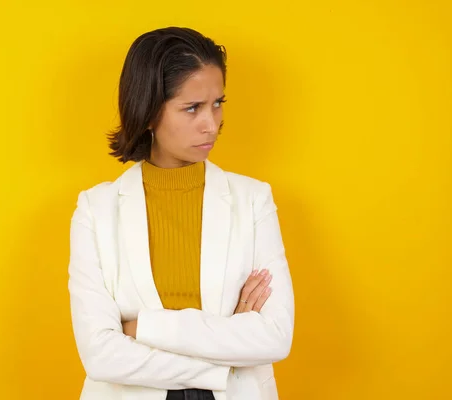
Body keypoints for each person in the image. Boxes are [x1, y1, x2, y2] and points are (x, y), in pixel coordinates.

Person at [68, 27, 295, 400]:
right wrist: (227, 357)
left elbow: (274, 337)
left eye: (218, 103)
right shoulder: (96, 211)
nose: (212, 124)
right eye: (192, 108)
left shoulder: (254, 200)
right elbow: (101, 355)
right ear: (148, 112)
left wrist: (143, 328)